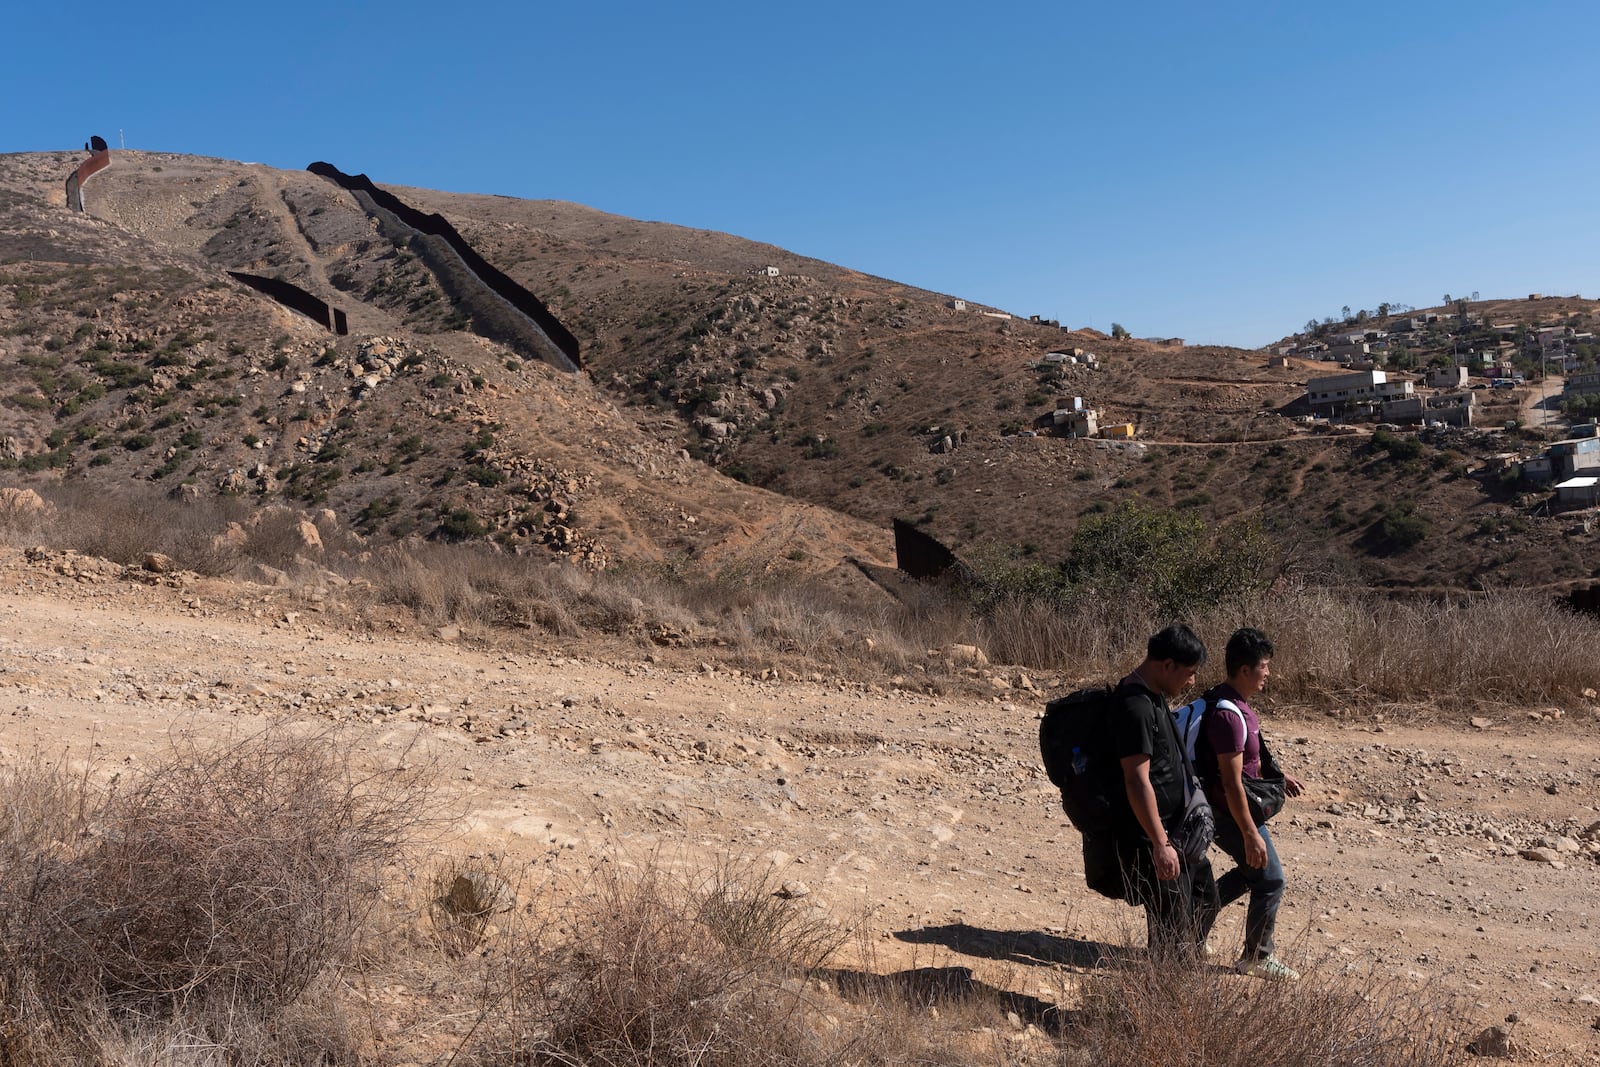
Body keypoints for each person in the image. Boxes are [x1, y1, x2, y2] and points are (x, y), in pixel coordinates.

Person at [1105, 622, 1219, 957]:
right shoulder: (1135, 707)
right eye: (1189, 672)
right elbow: (1136, 780)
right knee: (1172, 922)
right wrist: (1160, 844)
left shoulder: (1152, 695)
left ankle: (1178, 971)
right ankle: (1168, 988)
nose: (1193, 681)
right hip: (1155, 836)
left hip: (1177, 833)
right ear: (1166, 665)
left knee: (1205, 897)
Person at [1200, 627, 1305, 981]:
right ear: (1244, 670)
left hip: (1230, 805)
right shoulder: (1229, 716)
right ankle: (1257, 957)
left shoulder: (1231, 702)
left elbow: (1246, 761)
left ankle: (1188, 931)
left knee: (1250, 875)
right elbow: (1231, 783)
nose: (1269, 673)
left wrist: (1278, 777)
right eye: (1264, 666)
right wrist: (1249, 833)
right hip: (1232, 810)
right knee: (1271, 879)